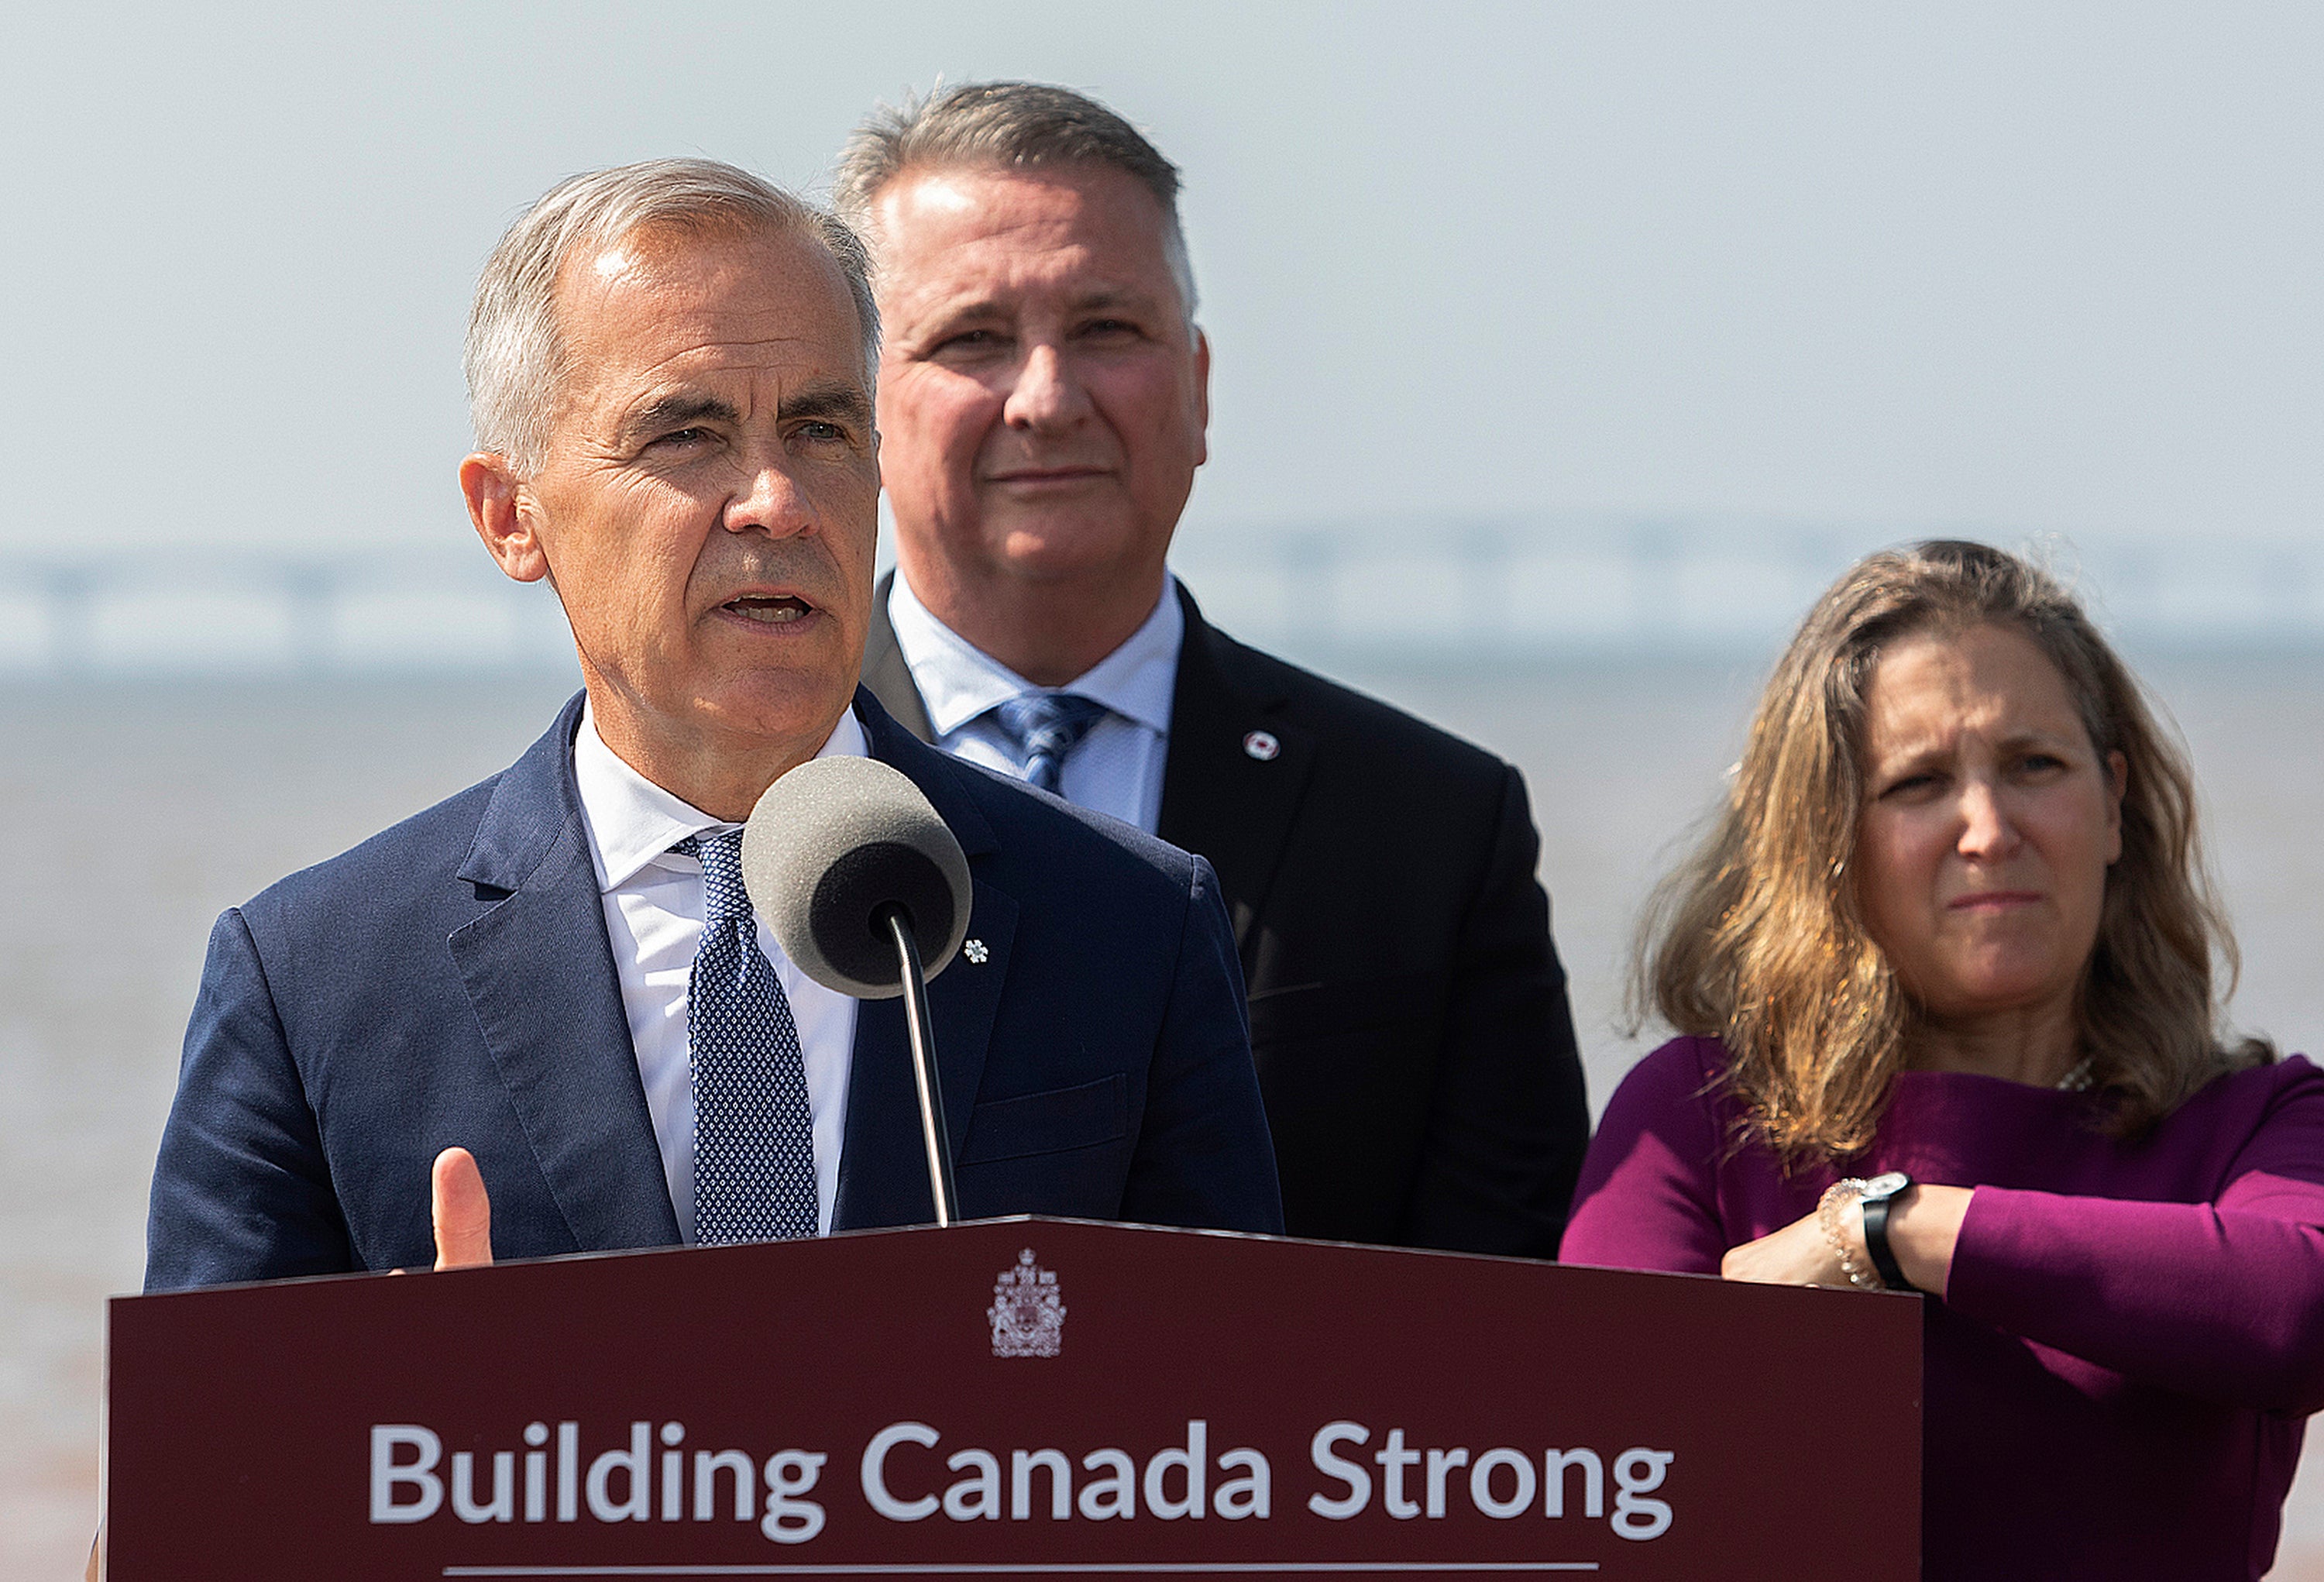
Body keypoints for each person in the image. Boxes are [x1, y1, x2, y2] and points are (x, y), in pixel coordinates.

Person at [143, 159, 1282, 1291]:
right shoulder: (312, 982)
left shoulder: (1131, 927)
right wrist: (418, 1426)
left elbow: (1239, 1429)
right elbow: (205, 1461)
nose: (777, 500)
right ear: (511, 516)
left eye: (823, 430)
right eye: (687, 436)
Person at [831, 82, 1590, 1257]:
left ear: (1199, 384)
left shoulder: (1433, 829)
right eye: (973, 338)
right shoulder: (751, 795)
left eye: (1108, 329)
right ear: (866, 411)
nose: (1048, 396)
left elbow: (1509, 1324)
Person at [1560, 540, 2324, 1580]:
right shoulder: (1702, 1117)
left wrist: (1887, 1229)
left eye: (2033, 765)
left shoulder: (2255, 1120)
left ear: (2113, 802)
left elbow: (2300, 1309)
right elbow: (1592, 1461)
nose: (1988, 827)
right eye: (1918, 782)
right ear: (1829, 837)